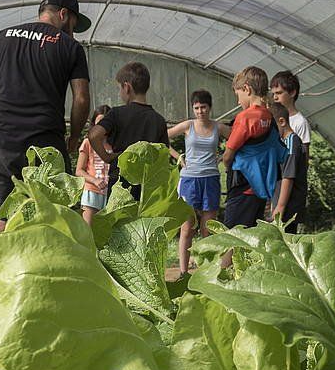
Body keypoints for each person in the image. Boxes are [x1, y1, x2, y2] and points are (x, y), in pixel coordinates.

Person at [0, 0, 92, 231]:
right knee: (55, 215)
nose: (72, 32)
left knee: (3, 216)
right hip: (46, 145)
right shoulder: (70, 46)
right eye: (73, 25)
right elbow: (81, 98)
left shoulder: (2, 37)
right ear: (63, 14)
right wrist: (74, 137)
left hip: (4, 143)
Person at [168, 90, 231, 275]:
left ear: (210, 108)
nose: (200, 111)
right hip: (189, 180)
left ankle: (206, 270)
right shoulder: (188, 125)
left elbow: (238, 138)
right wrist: (177, 156)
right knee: (187, 227)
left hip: (211, 179)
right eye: (196, 108)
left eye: (203, 107)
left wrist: (225, 155)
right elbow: (162, 137)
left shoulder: (218, 127)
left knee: (208, 228)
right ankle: (183, 272)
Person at [88, 62, 169, 200]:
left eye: (119, 88)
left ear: (127, 87)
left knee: (119, 220)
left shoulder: (117, 114)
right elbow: (163, 156)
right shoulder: (159, 120)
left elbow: (94, 135)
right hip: (147, 186)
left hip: (121, 183)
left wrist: (107, 157)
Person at [221, 67, 286, 230]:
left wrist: (227, 167)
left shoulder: (245, 118)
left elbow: (228, 155)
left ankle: (226, 258)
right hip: (261, 188)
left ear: (247, 89)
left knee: (231, 237)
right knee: (251, 236)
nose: (238, 102)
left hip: (243, 186)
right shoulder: (269, 116)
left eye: (238, 95)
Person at [270, 102, 308, 233]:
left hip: (288, 207)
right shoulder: (281, 143)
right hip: (281, 203)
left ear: (281, 122)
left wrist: (280, 206)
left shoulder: (292, 142)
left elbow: (288, 176)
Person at [76, 105, 112, 226]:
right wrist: (94, 180)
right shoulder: (87, 142)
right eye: (99, 123)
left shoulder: (115, 144)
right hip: (92, 191)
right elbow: (79, 171)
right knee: (88, 230)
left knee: (106, 233)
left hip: (111, 193)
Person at [271, 70, 310, 155]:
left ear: (292, 92)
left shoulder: (300, 122)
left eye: (279, 93)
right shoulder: (270, 116)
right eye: (273, 94)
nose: (275, 97)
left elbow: (304, 159)